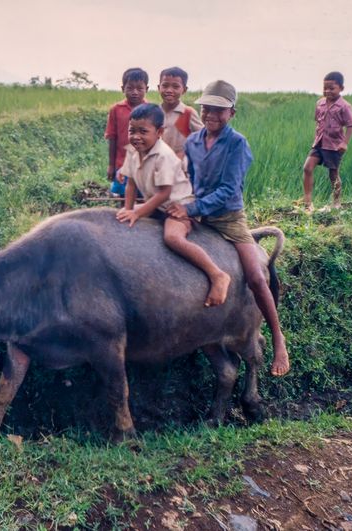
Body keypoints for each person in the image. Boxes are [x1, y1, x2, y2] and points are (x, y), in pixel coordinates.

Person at [166, 80, 290, 377]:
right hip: (197, 215)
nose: (211, 114)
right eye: (207, 108)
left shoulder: (238, 144)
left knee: (257, 277)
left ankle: (277, 337)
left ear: (231, 113)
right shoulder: (193, 142)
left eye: (219, 110)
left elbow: (228, 189)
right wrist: (180, 201)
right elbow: (190, 180)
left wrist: (192, 208)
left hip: (228, 218)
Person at [115, 103, 230, 307]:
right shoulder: (133, 152)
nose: (136, 136)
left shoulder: (164, 155)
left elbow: (164, 193)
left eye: (143, 131)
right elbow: (131, 183)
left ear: (159, 132)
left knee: (172, 238)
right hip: (156, 205)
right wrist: (128, 208)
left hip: (178, 206)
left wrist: (138, 212)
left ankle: (217, 274)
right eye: (132, 131)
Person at [302, 71, 352, 212]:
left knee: (333, 174)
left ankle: (336, 202)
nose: (327, 91)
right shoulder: (319, 103)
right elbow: (318, 121)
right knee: (307, 168)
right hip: (319, 143)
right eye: (325, 88)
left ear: (341, 88)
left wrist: (344, 143)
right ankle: (307, 203)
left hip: (334, 145)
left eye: (332, 88)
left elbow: (350, 126)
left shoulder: (345, 106)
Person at [105, 67, 149, 197]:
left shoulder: (151, 110)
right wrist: (111, 165)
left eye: (139, 88)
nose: (135, 92)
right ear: (123, 88)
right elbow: (112, 138)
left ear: (146, 89)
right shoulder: (116, 109)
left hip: (145, 164)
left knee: (143, 197)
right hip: (121, 163)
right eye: (130, 88)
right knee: (122, 197)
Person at [157, 67, 203, 162]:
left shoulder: (188, 113)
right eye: (165, 86)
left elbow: (203, 138)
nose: (169, 90)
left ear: (184, 90)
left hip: (180, 167)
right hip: (157, 165)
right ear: (158, 88)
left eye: (175, 86)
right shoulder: (153, 112)